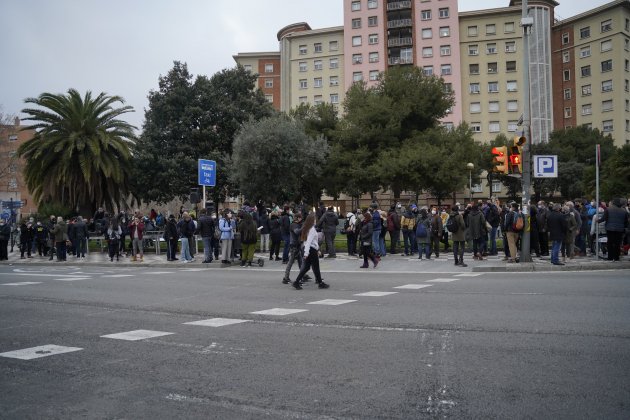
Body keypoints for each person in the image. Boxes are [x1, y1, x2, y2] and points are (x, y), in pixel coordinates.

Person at [292, 213, 329, 290]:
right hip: (311, 250)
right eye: (315, 219)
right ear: (312, 220)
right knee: (315, 267)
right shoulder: (311, 229)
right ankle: (320, 283)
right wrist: (306, 253)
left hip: (310, 249)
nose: (316, 221)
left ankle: (296, 282)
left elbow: (309, 242)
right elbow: (308, 242)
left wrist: (317, 249)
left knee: (307, 267)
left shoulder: (308, 228)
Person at [283, 213, 312, 283]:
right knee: (291, 262)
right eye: (300, 218)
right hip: (294, 246)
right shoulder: (293, 225)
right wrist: (303, 227)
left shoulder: (297, 224)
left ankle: (303, 275)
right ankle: (286, 277)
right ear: (297, 218)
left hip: (297, 245)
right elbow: (297, 232)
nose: (301, 219)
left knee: (300, 262)